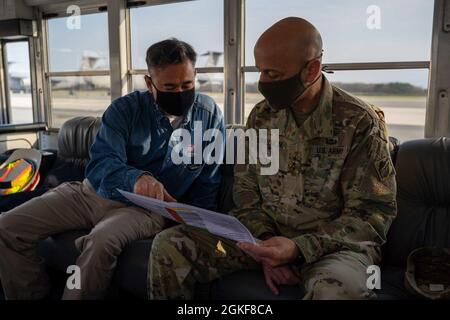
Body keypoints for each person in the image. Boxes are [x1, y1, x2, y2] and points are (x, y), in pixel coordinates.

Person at [149, 18, 397, 300]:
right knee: (170, 245)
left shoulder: (359, 123)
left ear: (312, 69)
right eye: (260, 72)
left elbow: (372, 214)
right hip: (263, 239)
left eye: (273, 74)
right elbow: (246, 191)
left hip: (334, 249)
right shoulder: (261, 117)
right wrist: (266, 246)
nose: (264, 83)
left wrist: (297, 248)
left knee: (333, 291)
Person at [0, 38, 224, 300]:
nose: (180, 93)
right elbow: (102, 162)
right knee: (7, 227)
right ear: (149, 83)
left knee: (102, 241)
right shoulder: (124, 110)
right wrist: (136, 178)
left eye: (187, 85)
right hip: (91, 194)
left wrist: (201, 225)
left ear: (195, 75)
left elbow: (209, 179)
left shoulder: (208, 115)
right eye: (169, 86)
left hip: (146, 209)